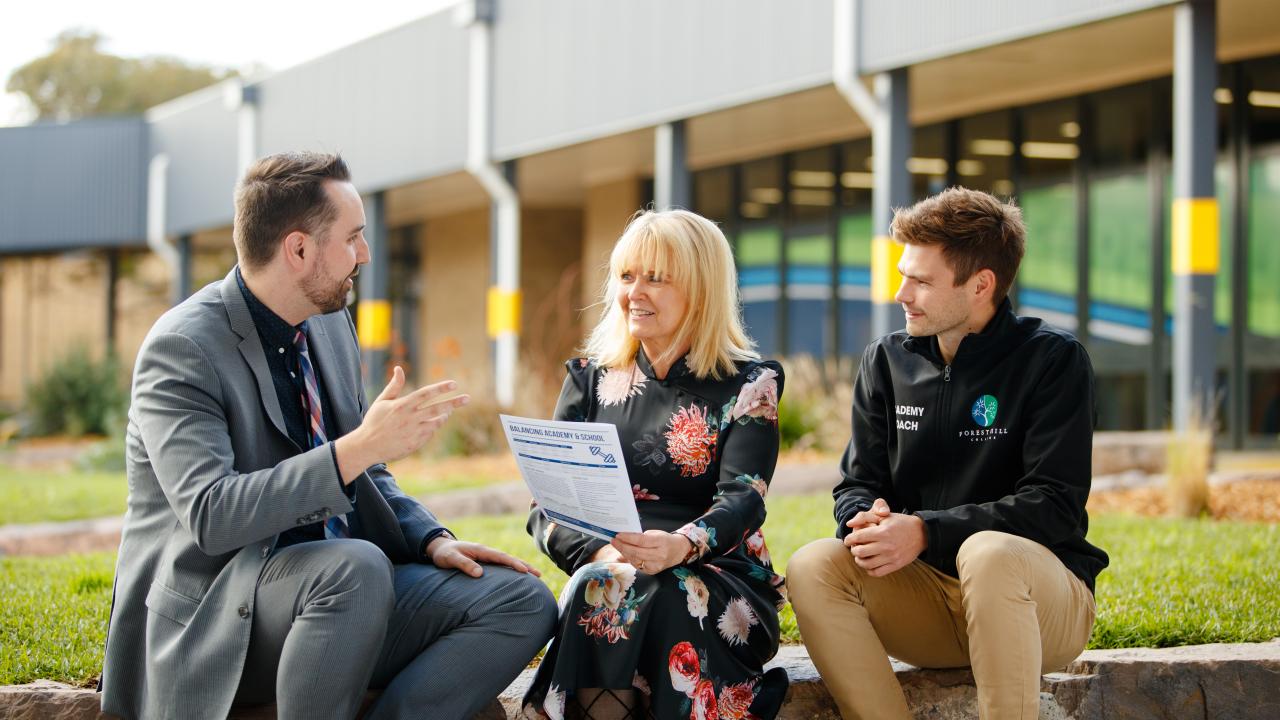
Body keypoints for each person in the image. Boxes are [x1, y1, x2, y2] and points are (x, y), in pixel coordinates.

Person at [100, 152, 557, 720]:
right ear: (298, 249)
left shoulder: (330, 322)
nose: (364, 254)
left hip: (343, 595)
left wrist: (431, 540)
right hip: (218, 617)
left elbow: (365, 470)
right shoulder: (184, 348)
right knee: (354, 569)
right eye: (353, 237)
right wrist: (362, 446)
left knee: (519, 598)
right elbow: (212, 515)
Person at [786, 187, 1109, 719]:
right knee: (813, 564)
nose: (901, 294)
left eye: (921, 281)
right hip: (927, 604)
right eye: (903, 274)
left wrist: (926, 530)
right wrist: (862, 516)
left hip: (1038, 604)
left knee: (990, 553)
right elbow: (857, 481)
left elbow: (1054, 506)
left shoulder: (1053, 361)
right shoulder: (886, 361)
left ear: (981, 284)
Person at [521, 209, 789, 720]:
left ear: (701, 289)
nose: (634, 293)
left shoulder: (750, 386)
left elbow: (744, 499)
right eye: (626, 276)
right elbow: (546, 507)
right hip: (612, 570)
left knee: (663, 590)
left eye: (656, 278)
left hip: (719, 576)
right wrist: (601, 552)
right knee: (602, 585)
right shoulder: (589, 381)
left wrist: (679, 546)